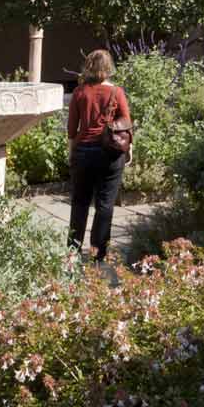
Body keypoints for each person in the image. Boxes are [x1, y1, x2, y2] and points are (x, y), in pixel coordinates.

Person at [66, 49, 131, 261]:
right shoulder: (117, 92)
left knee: (80, 203)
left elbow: (71, 129)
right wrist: (129, 149)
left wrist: (71, 153)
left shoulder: (79, 92)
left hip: (83, 152)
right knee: (105, 205)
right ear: (108, 67)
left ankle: (73, 252)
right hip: (110, 153)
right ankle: (98, 254)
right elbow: (125, 123)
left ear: (89, 67)